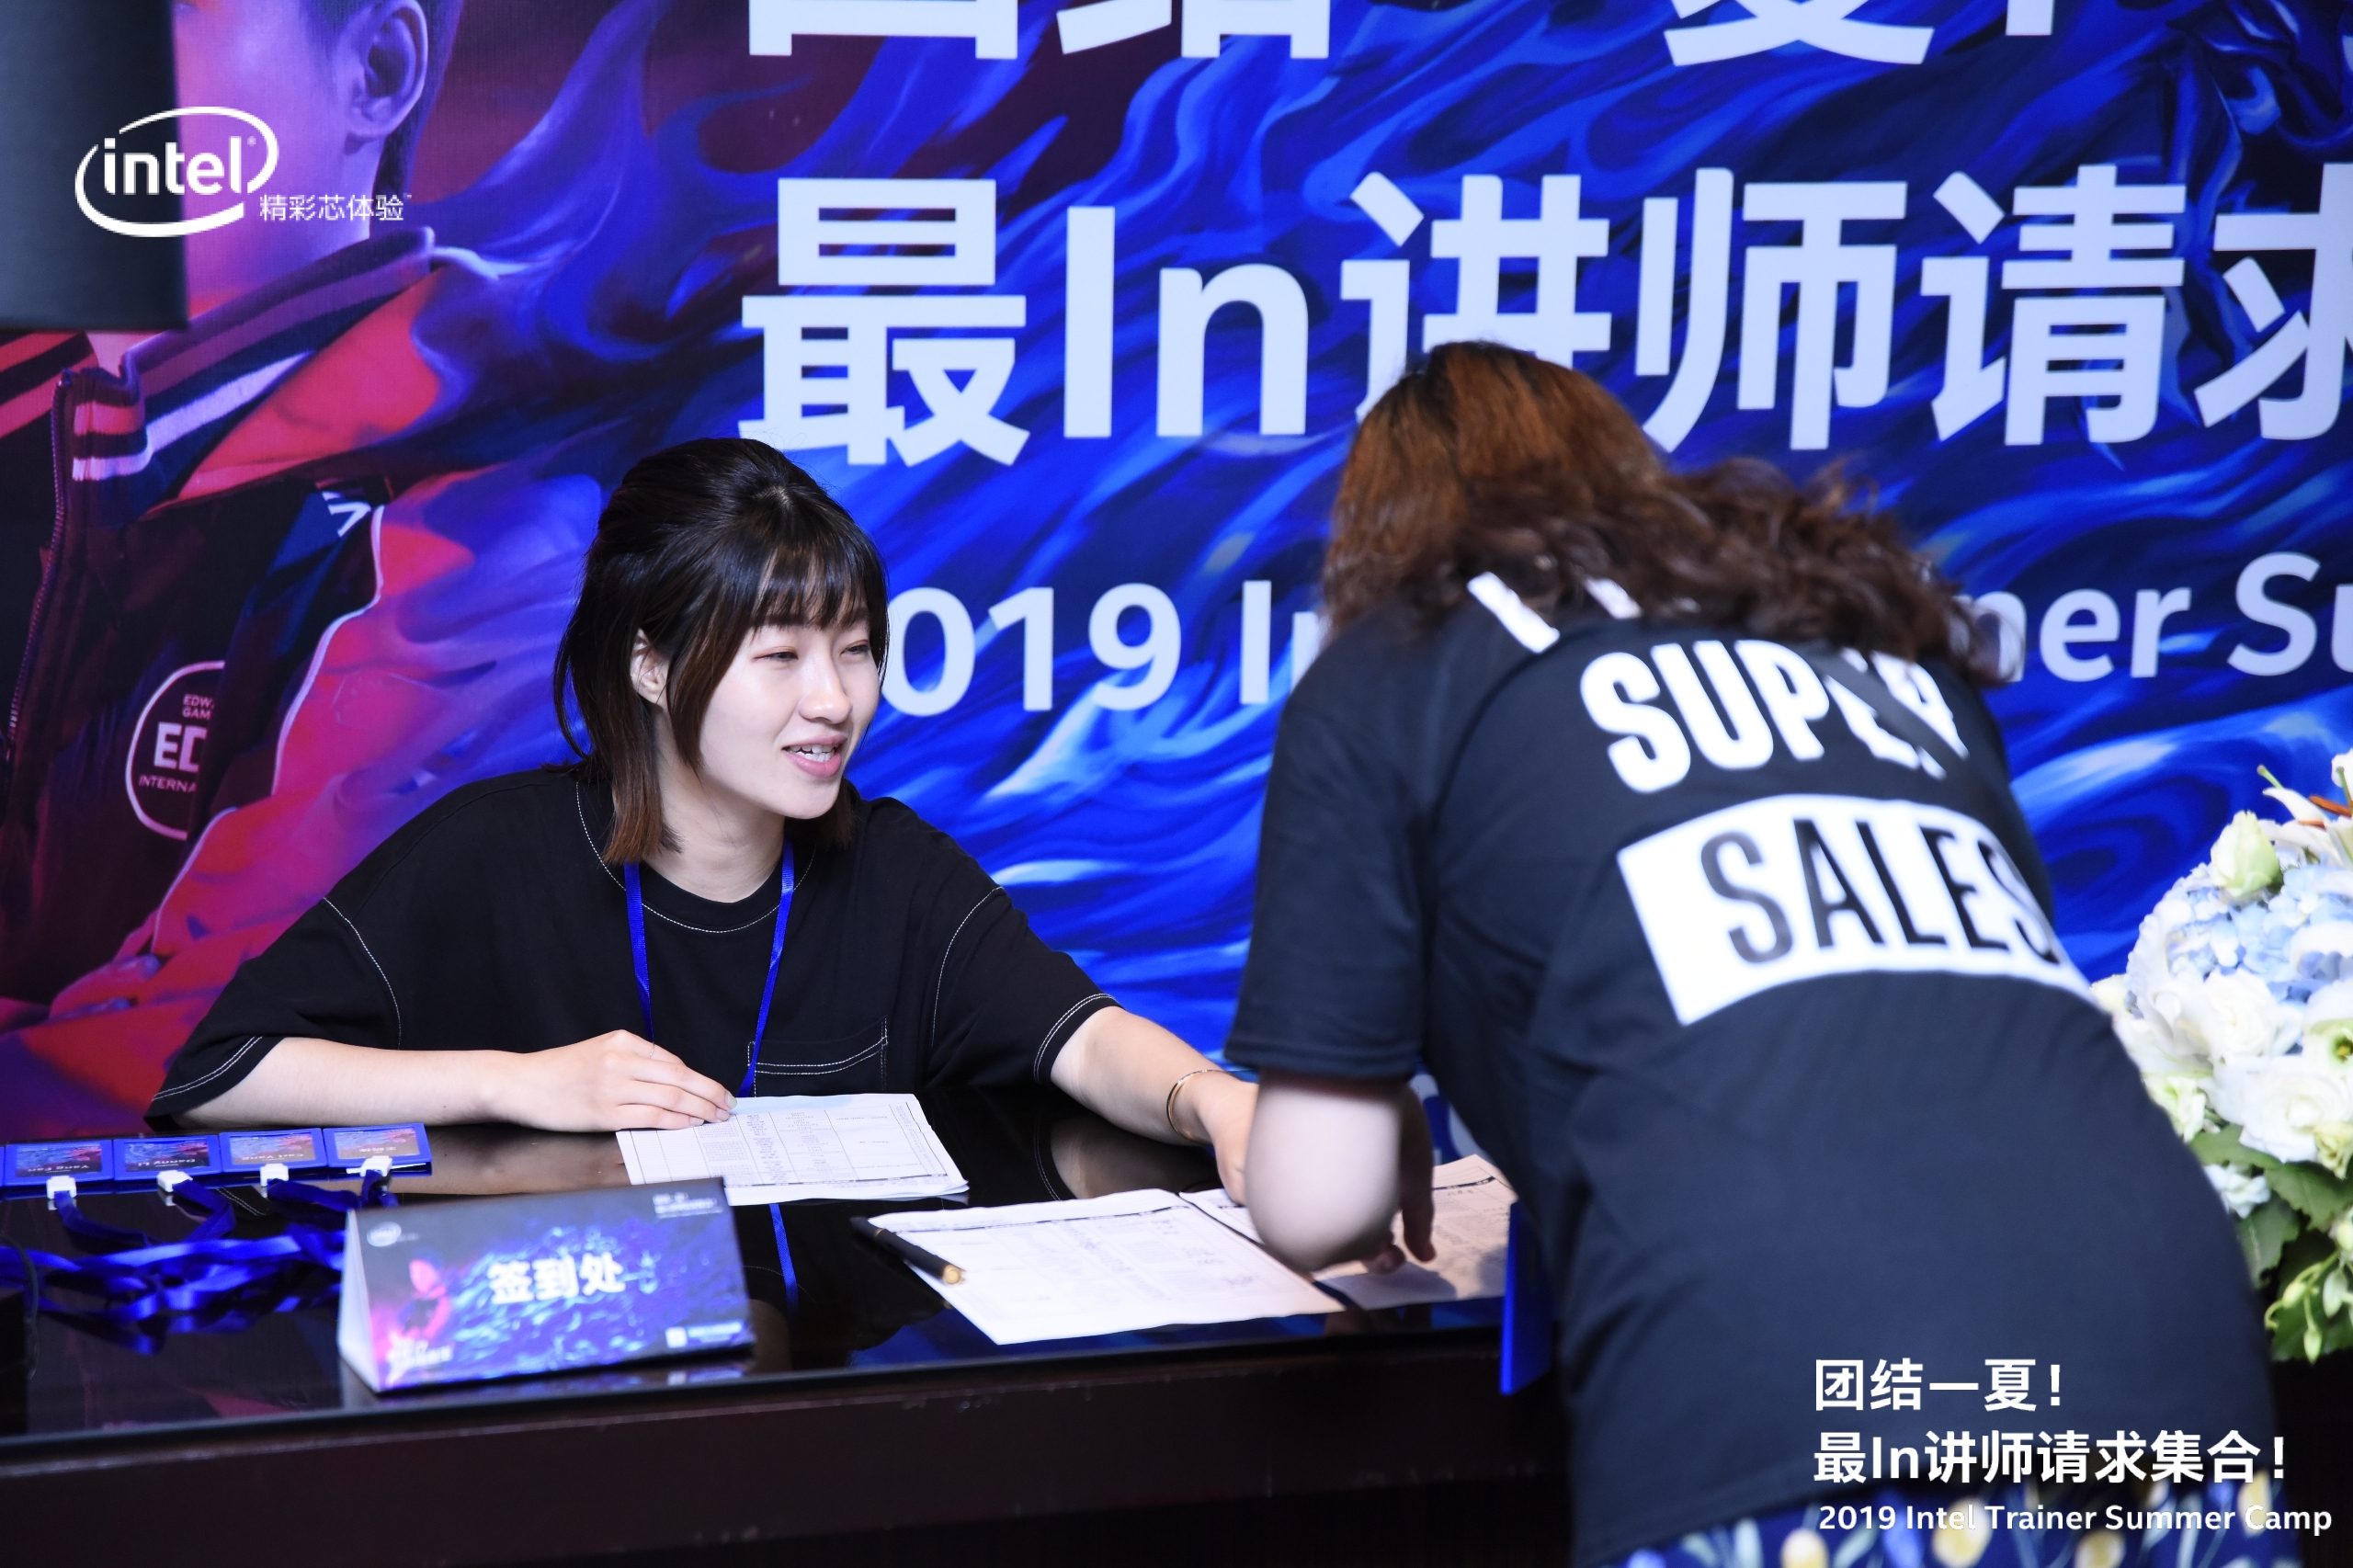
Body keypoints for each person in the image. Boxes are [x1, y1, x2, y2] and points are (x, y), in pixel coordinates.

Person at [1232, 345, 2284, 1568]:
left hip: (1789, 1395)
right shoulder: (1869, 640)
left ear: (1376, 534)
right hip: (2168, 1351)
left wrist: (1366, 1079)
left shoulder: (1397, 665)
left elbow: (1318, 1204)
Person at [145, 438, 1256, 1196]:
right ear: (651, 664)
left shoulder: (897, 870)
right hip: (572, 1393)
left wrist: (1212, 1100)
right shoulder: (492, 851)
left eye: (855, 649)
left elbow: (1083, 1038)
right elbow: (221, 1074)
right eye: (780, 656)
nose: (834, 699)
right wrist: (512, 1081)